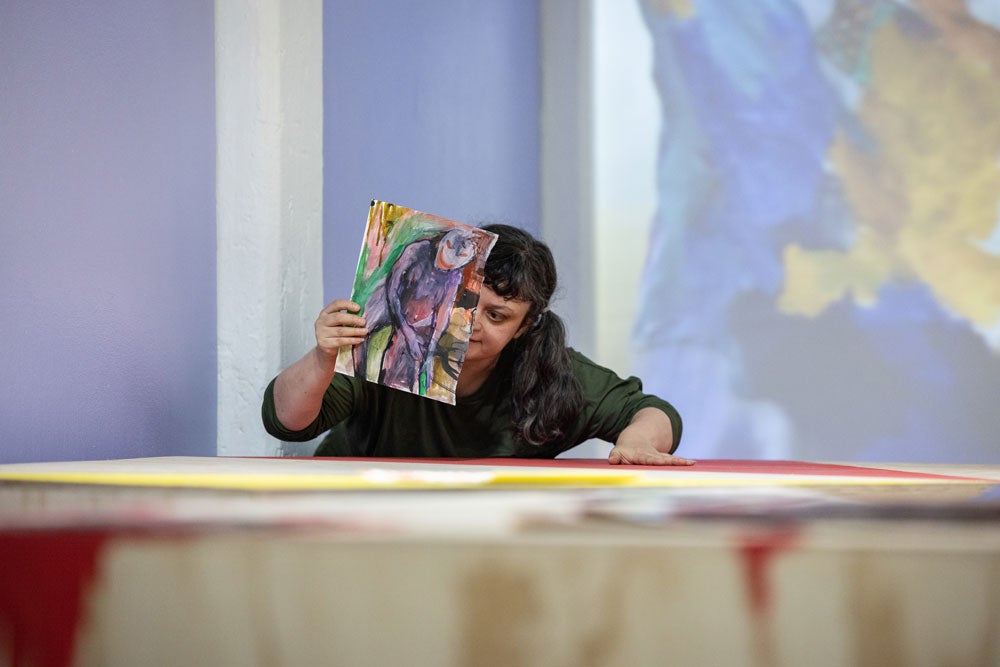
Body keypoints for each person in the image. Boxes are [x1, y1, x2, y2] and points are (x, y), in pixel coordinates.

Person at [262, 224, 692, 465]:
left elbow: (654, 412)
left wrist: (639, 440)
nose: (472, 325)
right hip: (354, 519)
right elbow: (286, 421)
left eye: (498, 316)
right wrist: (322, 357)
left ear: (525, 328)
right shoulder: (389, 345)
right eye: (466, 302)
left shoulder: (547, 372)